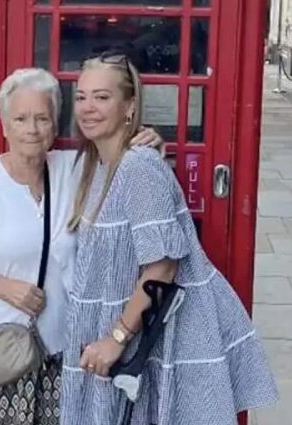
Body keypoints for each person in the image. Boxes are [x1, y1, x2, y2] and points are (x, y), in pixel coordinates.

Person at [0, 68, 161, 425]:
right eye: (21, 119)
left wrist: (148, 142)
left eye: (42, 118)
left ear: (55, 125)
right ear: (4, 125)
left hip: (63, 347)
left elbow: (124, 163)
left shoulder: (73, 169)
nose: (32, 129)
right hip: (2, 346)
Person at [60, 53, 279, 424]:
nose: (88, 107)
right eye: (81, 97)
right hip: (107, 333)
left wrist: (116, 338)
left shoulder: (139, 167)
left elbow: (162, 265)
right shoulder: (93, 165)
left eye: (102, 97)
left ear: (130, 106)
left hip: (142, 335)